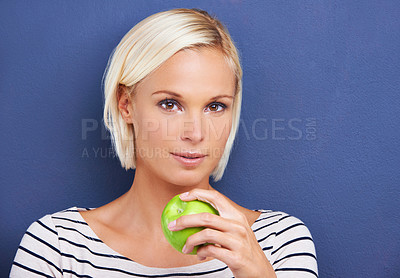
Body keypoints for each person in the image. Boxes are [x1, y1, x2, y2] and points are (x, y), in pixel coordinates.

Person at [10, 8, 318, 278]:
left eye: (215, 106)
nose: (195, 133)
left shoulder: (278, 241)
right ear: (126, 104)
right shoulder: (58, 246)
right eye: (170, 104)